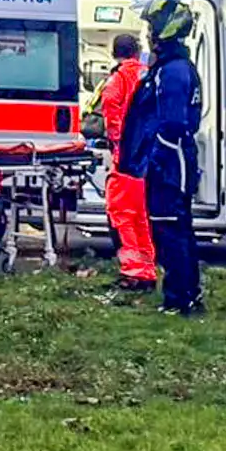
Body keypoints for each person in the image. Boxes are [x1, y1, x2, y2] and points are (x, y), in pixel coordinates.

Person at [118, 0, 205, 316]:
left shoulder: (173, 72)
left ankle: (179, 298)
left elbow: (172, 123)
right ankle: (186, 294)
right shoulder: (169, 68)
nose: (148, 34)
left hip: (170, 164)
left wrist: (154, 159)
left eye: (152, 27)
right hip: (168, 161)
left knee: (171, 232)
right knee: (176, 230)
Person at [94, 30, 157, 289]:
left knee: (121, 215)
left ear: (115, 53)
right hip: (146, 157)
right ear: (136, 50)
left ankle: (134, 272)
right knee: (141, 217)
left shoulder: (119, 78)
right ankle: (147, 269)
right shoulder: (147, 74)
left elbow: (110, 107)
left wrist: (116, 141)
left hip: (126, 158)